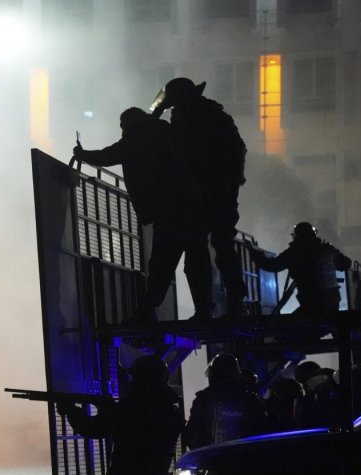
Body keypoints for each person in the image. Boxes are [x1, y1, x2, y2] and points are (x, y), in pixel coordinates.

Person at [73, 107, 210, 322]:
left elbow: (108, 155)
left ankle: (146, 310)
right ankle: (203, 311)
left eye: (123, 127)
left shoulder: (136, 138)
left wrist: (82, 154)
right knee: (196, 260)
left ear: (129, 125)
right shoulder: (164, 132)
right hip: (191, 205)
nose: (122, 131)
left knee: (161, 262)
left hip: (168, 210)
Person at [151, 78, 249, 316]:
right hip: (219, 192)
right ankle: (233, 303)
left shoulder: (190, 120)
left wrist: (158, 108)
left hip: (203, 194)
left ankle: (210, 307)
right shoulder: (214, 116)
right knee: (220, 246)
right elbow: (239, 150)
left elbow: (149, 125)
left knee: (198, 249)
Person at [249, 222, 352, 315]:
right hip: (333, 304)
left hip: (312, 305)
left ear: (296, 236)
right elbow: (346, 264)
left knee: (290, 330)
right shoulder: (327, 249)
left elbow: (272, 265)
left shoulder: (295, 252)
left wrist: (254, 254)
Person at [182, 352, 272, 451]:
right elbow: (263, 432)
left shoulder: (204, 399)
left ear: (213, 374)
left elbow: (191, 433)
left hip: (211, 460)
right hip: (243, 460)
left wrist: (202, 454)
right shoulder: (250, 400)